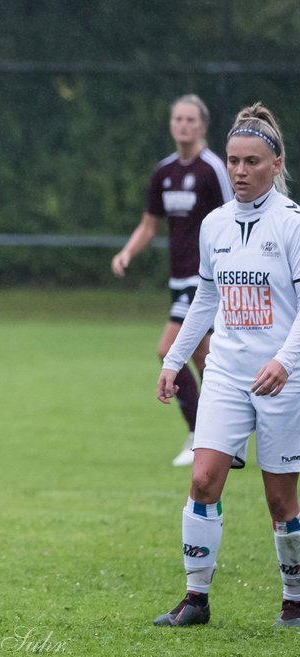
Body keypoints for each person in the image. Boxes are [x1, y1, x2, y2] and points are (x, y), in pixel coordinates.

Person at [153, 103, 300, 628]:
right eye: (234, 160)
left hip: (284, 381)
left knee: (281, 501)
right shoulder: (215, 225)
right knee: (203, 480)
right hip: (226, 376)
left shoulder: (291, 226)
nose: (239, 171)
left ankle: (294, 598)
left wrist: (284, 363)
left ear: (276, 164)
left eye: (251, 162)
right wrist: (174, 361)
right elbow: (205, 301)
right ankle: (196, 599)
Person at [112, 94, 233, 467]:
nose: (182, 125)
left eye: (189, 119)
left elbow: (233, 216)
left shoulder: (213, 168)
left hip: (206, 280)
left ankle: (201, 433)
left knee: (170, 350)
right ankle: (228, 428)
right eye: (177, 119)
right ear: (171, 124)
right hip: (178, 279)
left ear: (202, 126)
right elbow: (150, 224)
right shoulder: (163, 173)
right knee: (208, 359)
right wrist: (128, 252)